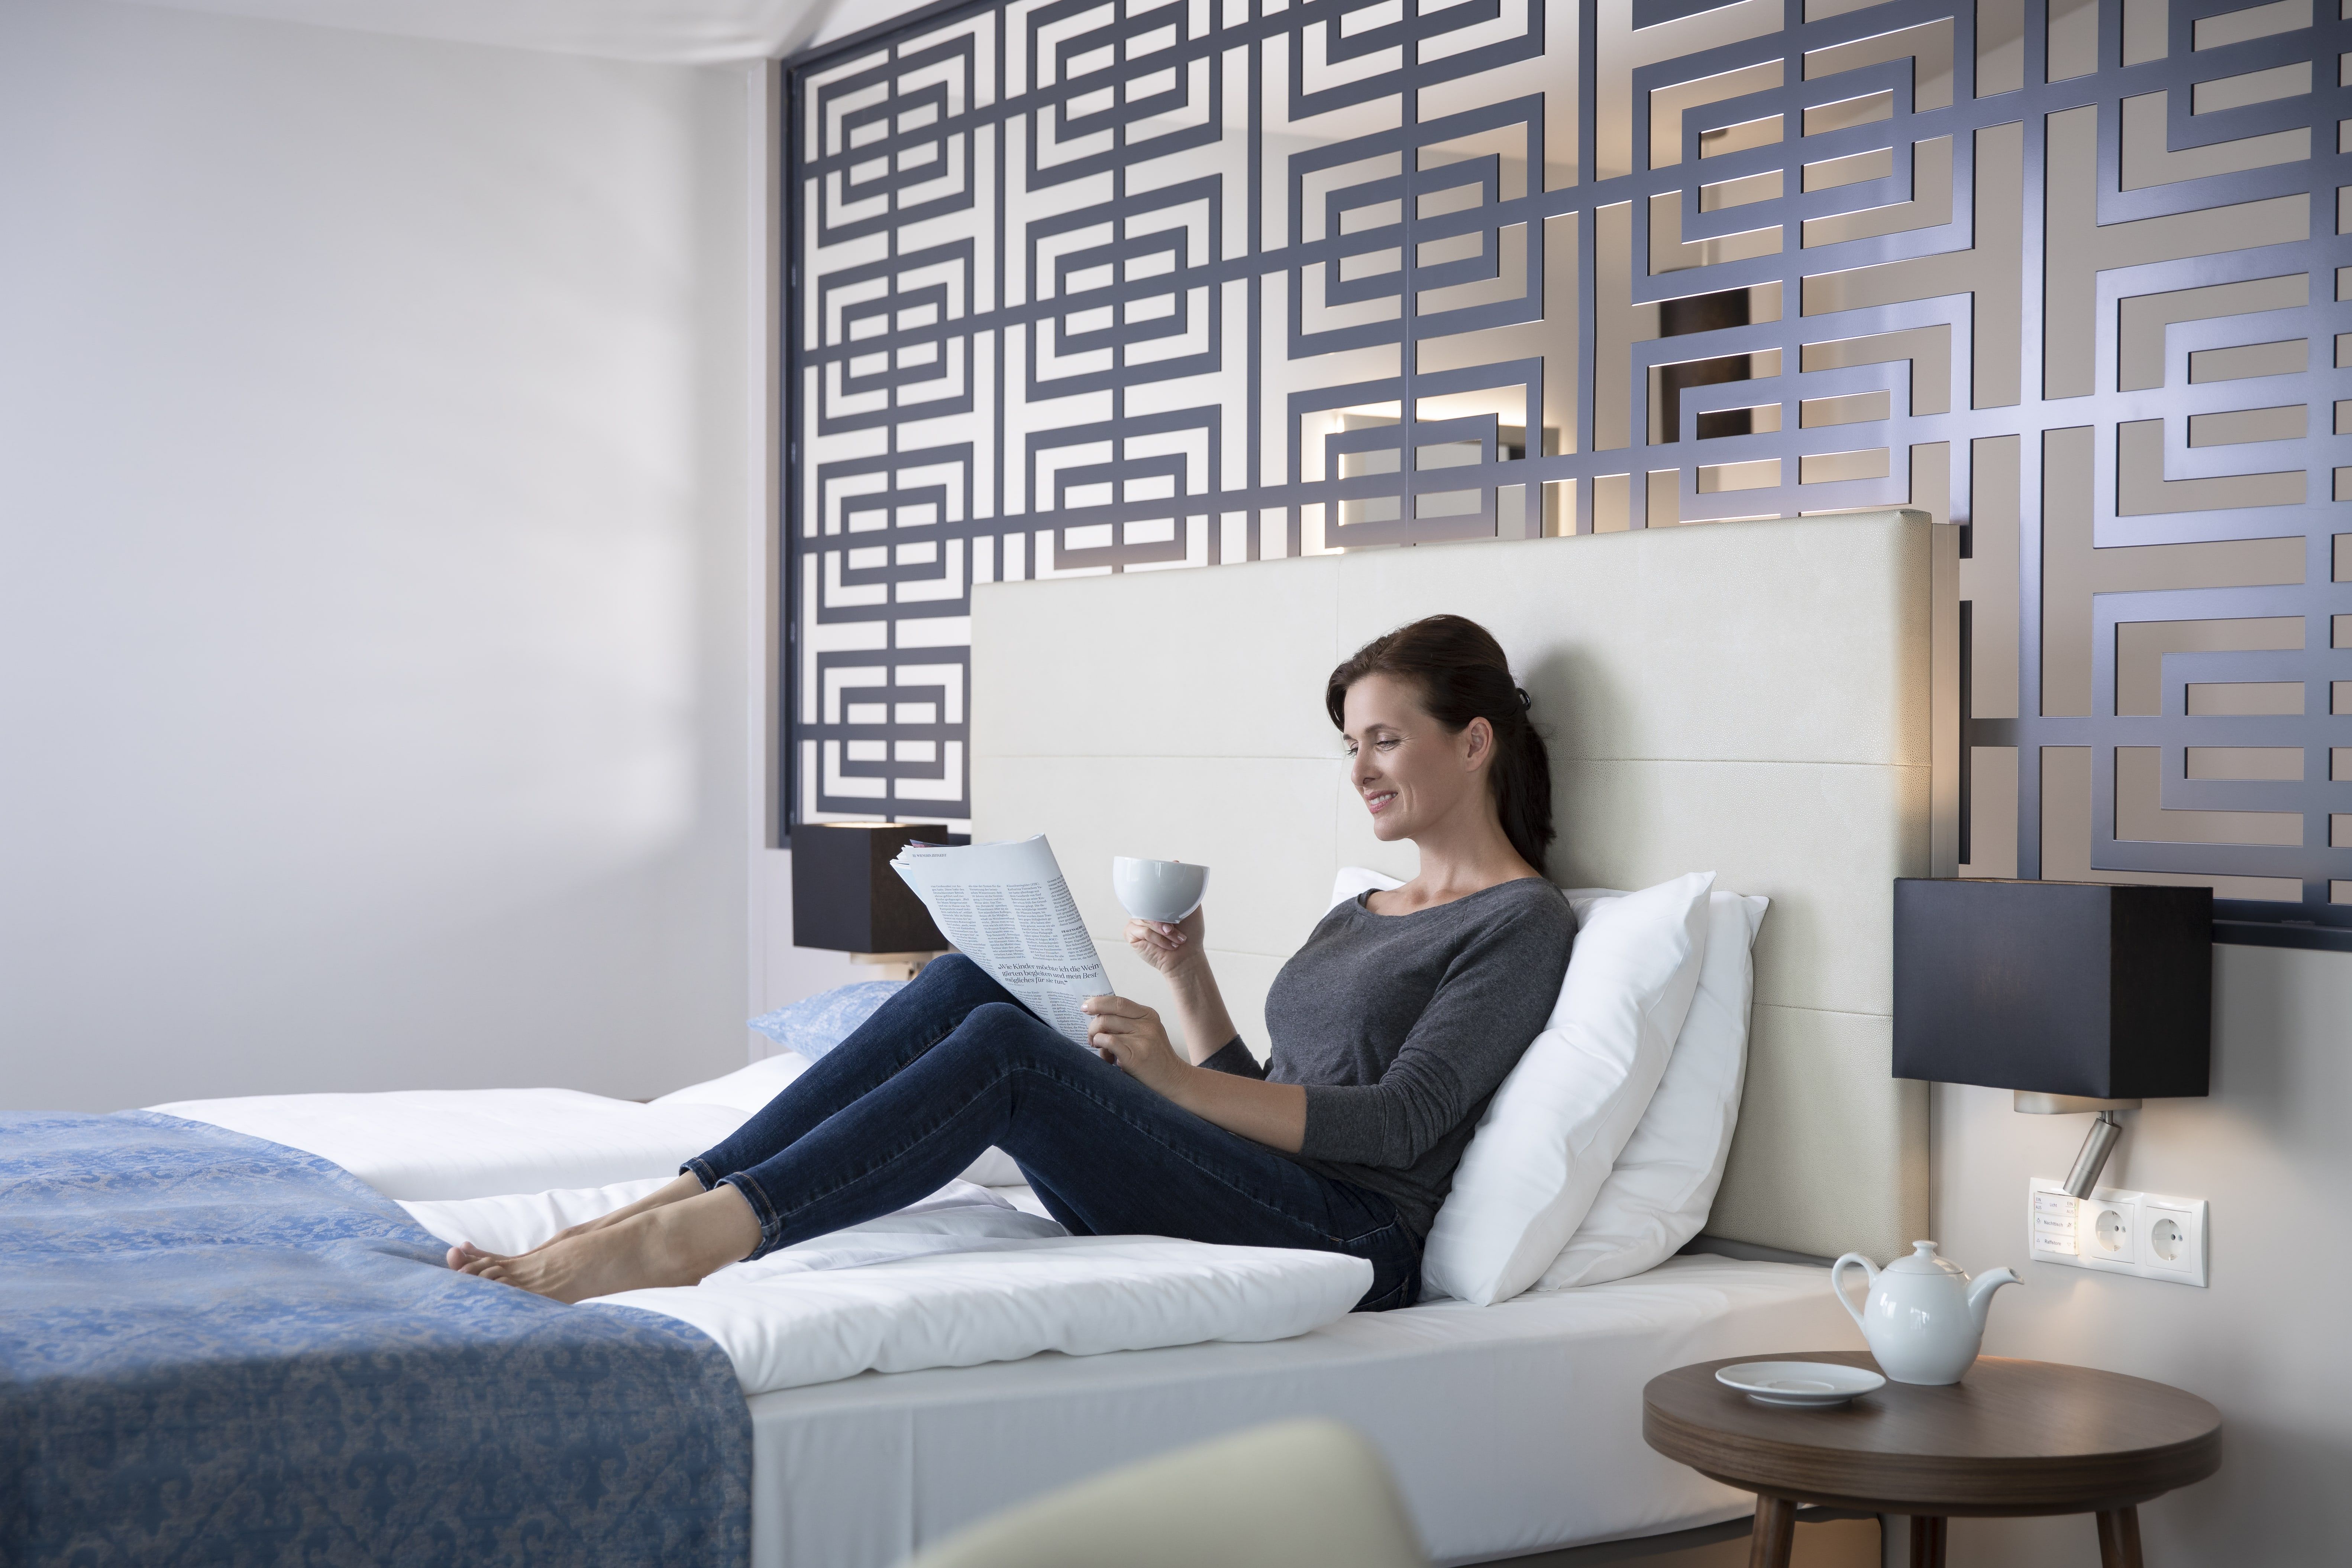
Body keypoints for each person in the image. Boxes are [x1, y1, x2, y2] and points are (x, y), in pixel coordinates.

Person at [450, 614, 1577, 1307]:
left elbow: (1394, 1123)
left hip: (1355, 1240)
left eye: (1384, 739)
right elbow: (1283, 1091)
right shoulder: (1367, 904)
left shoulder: (1520, 921)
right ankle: (680, 1192)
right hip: (1266, 1187)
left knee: (1006, 1053)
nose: (1361, 769)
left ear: (1473, 741)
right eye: (1352, 745)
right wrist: (1188, 987)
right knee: (965, 983)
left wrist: (1176, 1082)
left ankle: (691, 1237)